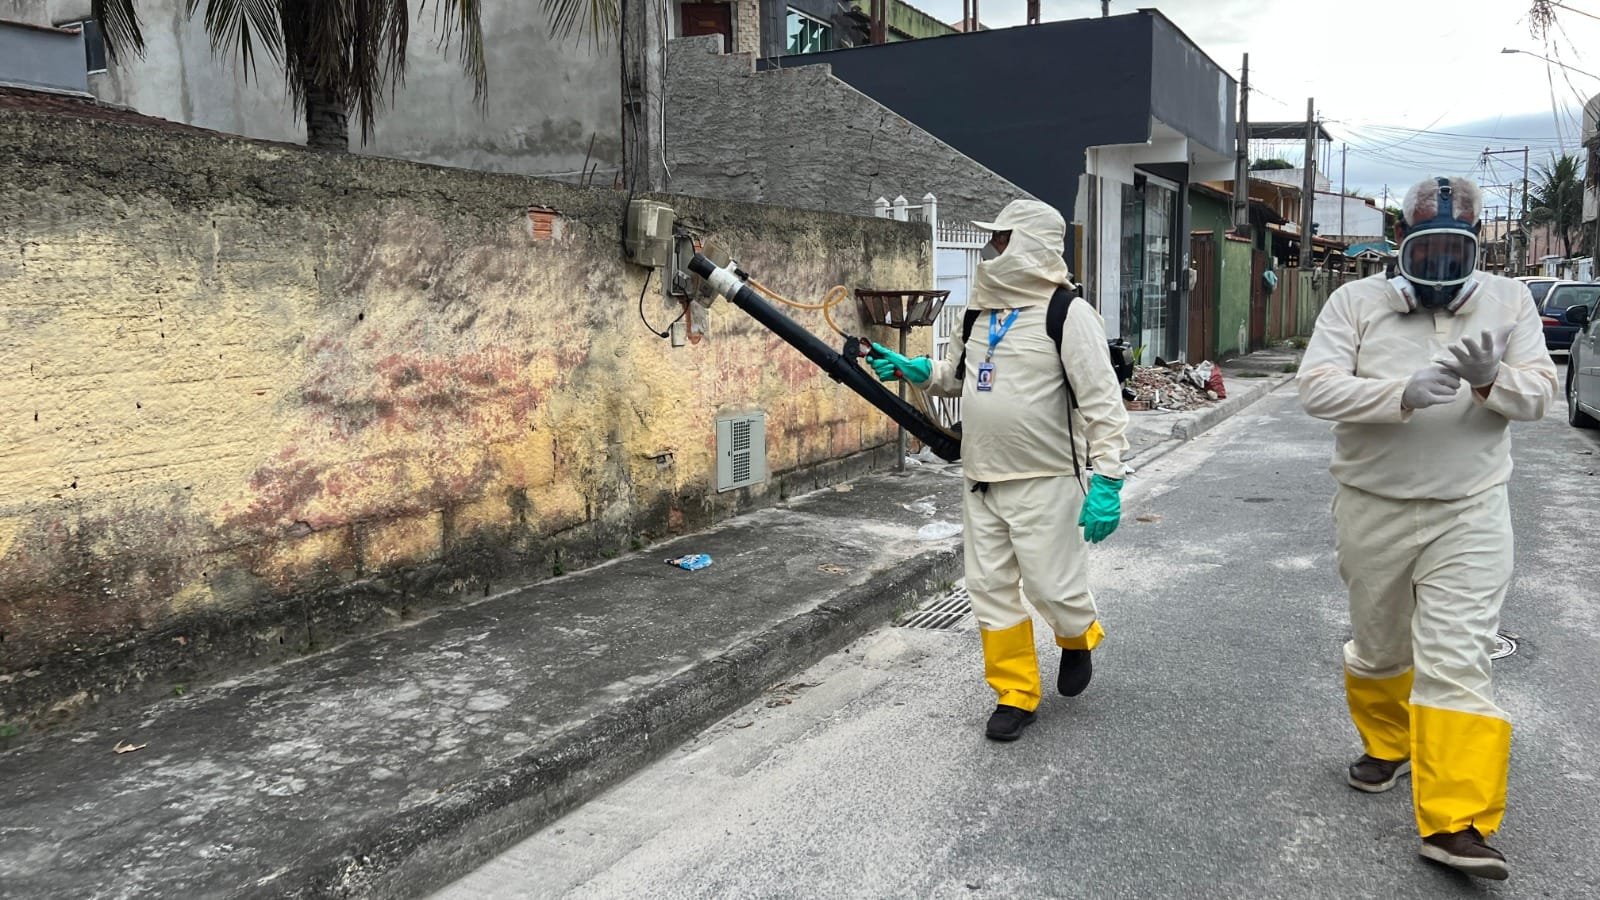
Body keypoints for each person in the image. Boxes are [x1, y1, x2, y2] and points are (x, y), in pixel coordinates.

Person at [1298, 176, 1557, 880]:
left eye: (1454, 250)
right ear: (1401, 241)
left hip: (1469, 509)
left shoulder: (1508, 302)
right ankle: (1388, 744)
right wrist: (1398, 395)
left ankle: (1457, 822)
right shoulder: (1356, 302)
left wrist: (1492, 379)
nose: (1440, 267)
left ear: (1476, 245)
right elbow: (1315, 387)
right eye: (1426, 250)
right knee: (1380, 643)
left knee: (1458, 657)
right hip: (1372, 502)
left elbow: (1541, 393)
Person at [868, 199, 1129, 742]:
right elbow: (959, 376)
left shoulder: (1067, 313)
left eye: (1004, 239)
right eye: (994, 239)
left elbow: (1102, 402)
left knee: (1052, 588)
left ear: (1032, 243)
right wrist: (919, 370)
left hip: (1047, 478)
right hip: (982, 477)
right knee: (988, 589)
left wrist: (1108, 477)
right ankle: (1015, 692)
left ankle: (1077, 636)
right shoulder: (979, 312)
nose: (993, 248)